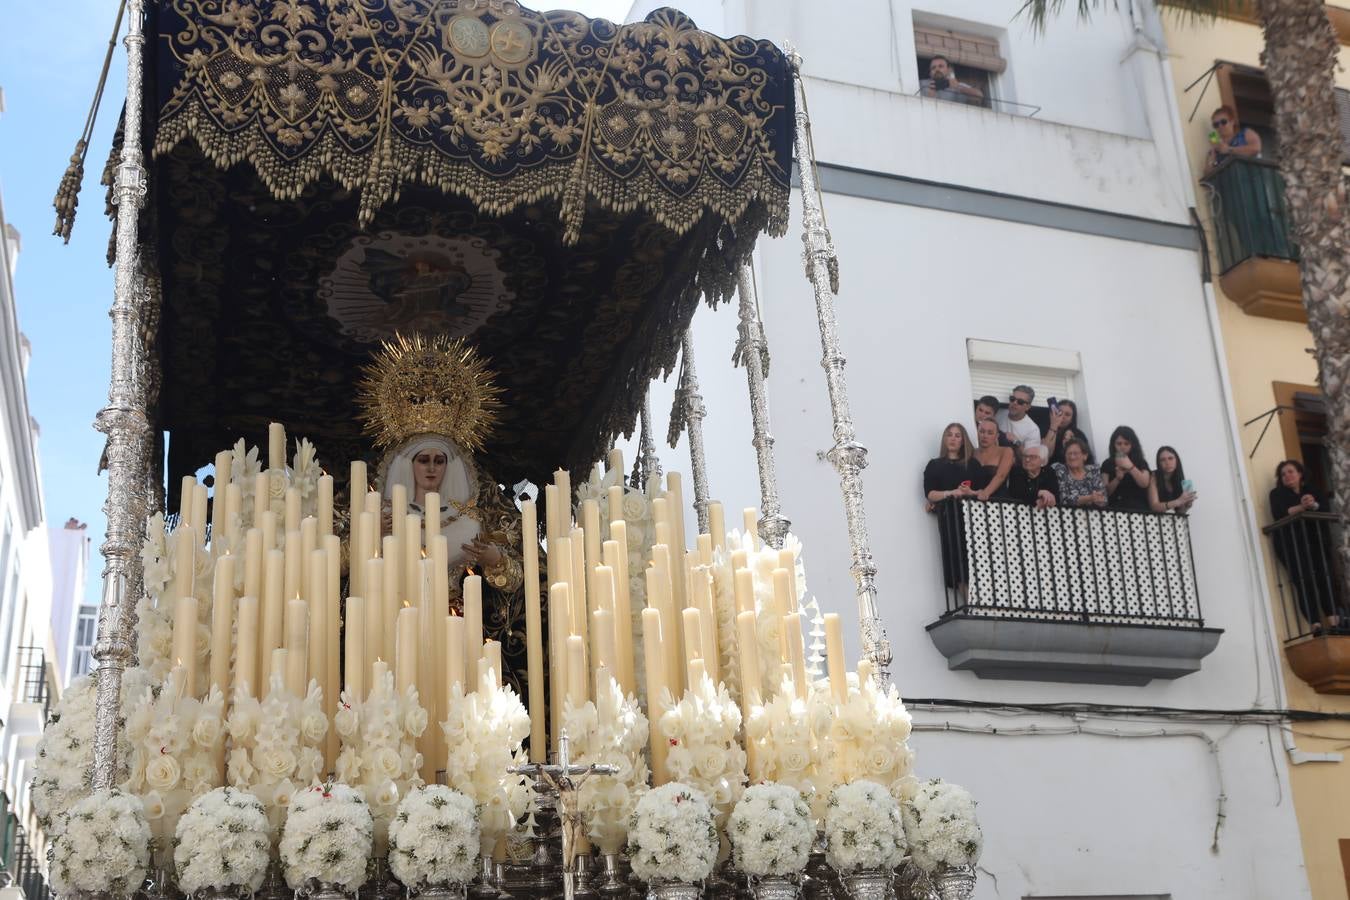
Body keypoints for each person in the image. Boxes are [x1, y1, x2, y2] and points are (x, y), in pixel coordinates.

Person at [361, 334, 533, 697]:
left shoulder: (478, 500)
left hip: (464, 630)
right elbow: (334, 560)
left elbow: (522, 573)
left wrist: (494, 560)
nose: (431, 468)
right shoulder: (376, 502)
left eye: (439, 460)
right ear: (409, 463)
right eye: (423, 460)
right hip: (389, 631)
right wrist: (368, 535)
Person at [1268, 459, 1343, 632]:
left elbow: (1324, 508)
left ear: (1300, 473)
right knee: (1304, 581)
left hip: (1316, 542)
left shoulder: (1313, 490)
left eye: (1290, 471)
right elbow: (1279, 513)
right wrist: (1302, 507)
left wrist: (1313, 504)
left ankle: (1335, 623)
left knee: (1325, 578)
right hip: (1291, 545)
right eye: (1283, 474)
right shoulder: (1277, 494)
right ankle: (1315, 625)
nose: (1287, 476)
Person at [923, 423, 984, 593]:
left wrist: (969, 492)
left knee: (976, 562)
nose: (953, 439)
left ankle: (977, 604)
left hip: (973, 520)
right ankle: (970, 605)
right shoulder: (935, 465)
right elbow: (930, 493)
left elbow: (983, 491)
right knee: (957, 564)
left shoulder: (972, 465)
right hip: (950, 519)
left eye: (958, 435)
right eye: (949, 434)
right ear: (944, 439)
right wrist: (951, 493)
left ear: (963, 440)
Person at [1101, 425, 1152, 512]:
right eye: (1119, 443)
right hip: (1116, 510)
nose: (1122, 447)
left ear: (1132, 445)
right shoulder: (1107, 463)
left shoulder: (1140, 461)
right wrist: (1117, 479)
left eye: (1126, 443)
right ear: (1113, 445)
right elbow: (1104, 493)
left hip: (1138, 509)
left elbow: (1144, 483)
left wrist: (1130, 467)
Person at [1204, 105, 1262, 174]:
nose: (1220, 126)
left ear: (1232, 122)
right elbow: (1207, 175)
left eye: (1223, 122)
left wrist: (1229, 150)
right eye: (1216, 125)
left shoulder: (1245, 133)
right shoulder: (1214, 151)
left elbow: (1256, 149)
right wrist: (1213, 154)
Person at [1052, 438, 1107, 508]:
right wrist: (1090, 498)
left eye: (1075, 453)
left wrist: (1098, 499)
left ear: (1085, 456)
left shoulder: (1093, 471)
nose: (1072, 457)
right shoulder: (1061, 470)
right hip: (1069, 516)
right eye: (1069, 454)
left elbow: (1104, 499)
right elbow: (1064, 500)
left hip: (1094, 515)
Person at [1006, 445, 1059, 509]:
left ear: (1043, 461)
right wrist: (1039, 493)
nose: (1027, 459)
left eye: (1033, 457)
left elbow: (1054, 496)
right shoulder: (1016, 471)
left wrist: (1044, 500)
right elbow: (1017, 492)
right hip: (1016, 511)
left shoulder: (1049, 472)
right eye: (1025, 456)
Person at [973, 419, 1014, 500]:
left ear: (997, 436)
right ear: (977, 433)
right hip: (974, 501)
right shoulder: (972, 452)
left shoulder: (1006, 451)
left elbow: (1001, 476)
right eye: (982, 431)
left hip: (999, 502)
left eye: (990, 433)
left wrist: (986, 493)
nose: (985, 436)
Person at [919, 55, 983, 106]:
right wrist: (930, 95)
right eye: (933, 68)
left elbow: (979, 96)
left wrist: (958, 87)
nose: (937, 69)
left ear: (949, 70)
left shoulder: (955, 84)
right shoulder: (922, 84)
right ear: (930, 73)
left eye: (940, 66)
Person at [995, 385, 1043, 452]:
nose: (1014, 403)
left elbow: (1029, 457)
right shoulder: (997, 414)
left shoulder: (1033, 430)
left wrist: (1016, 442)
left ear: (1028, 407)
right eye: (1012, 399)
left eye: (1020, 402)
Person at [1150, 446, 1197, 513]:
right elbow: (1154, 506)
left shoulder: (1179, 480)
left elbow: (1179, 513)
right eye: (1163, 460)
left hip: (1170, 521)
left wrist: (1187, 506)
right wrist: (1178, 501)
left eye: (1170, 458)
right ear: (1159, 463)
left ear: (1177, 460)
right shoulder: (1153, 476)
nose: (1167, 462)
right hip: (1151, 520)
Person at [1047, 399, 1092, 467]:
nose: (1062, 417)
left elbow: (1085, 460)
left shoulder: (1078, 434)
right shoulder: (1045, 430)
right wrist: (1054, 426)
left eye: (1067, 414)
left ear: (1072, 419)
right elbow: (1045, 455)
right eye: (1060, 412)